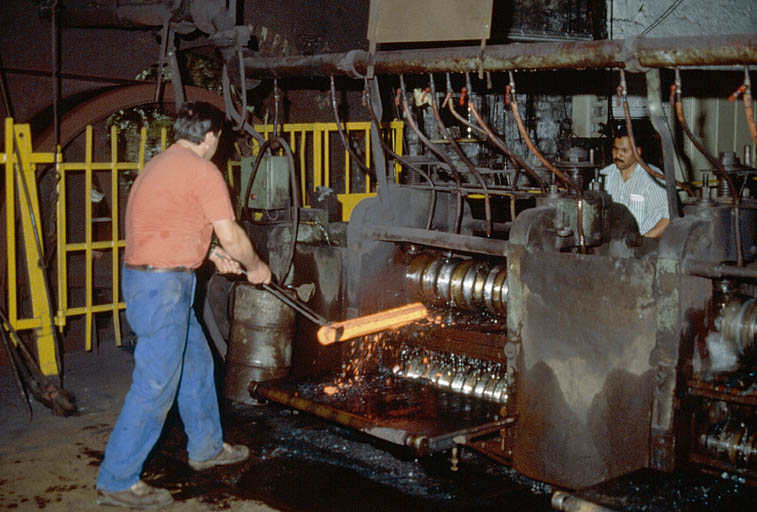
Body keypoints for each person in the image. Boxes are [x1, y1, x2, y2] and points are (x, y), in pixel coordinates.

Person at [96, 102, 271, 509]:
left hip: (152, 279)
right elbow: (233, 236)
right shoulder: (204, 171)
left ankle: (206, 448)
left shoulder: (160, 165)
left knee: (195, 366)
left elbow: (164, 223)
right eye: (219, 138)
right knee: (156, 385)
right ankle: (117, 478)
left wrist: (207, 254)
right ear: (210, 135)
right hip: (164, 288)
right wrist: (256, 266)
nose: (218, 145)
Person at [600, 127, 670, 238]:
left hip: (644, 248)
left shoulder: (653, 179)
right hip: (611, 247)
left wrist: (641, 242)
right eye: (615, 149)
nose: (618, 155)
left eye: (624, 150)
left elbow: (667, 220)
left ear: (638, 151)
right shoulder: (605, 175)